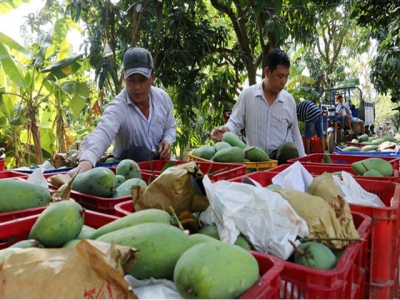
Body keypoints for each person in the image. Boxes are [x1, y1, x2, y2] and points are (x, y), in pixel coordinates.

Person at [68, 47, 177, 177]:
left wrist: (167, 140)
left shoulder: (162, 99)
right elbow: (102, 132)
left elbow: (170, 127)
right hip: (129, 170)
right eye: (131, 80)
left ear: (152, 78)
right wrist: (86, 161)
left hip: (159, 166)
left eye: (142, 80)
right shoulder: (118, 107)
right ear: (124, 77)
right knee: (142, 153)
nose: (137, 87)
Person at [210, 48, 305, 165]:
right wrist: (225, 129)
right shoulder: (247, 95)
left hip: (279, 161)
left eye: (286, 76)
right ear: (267, 72)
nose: (284, 81)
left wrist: (303, 162)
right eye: (280, 76)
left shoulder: (289, 101)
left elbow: (296, 134)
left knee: (288, 148)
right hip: (254, 159)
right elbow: (234, 123)